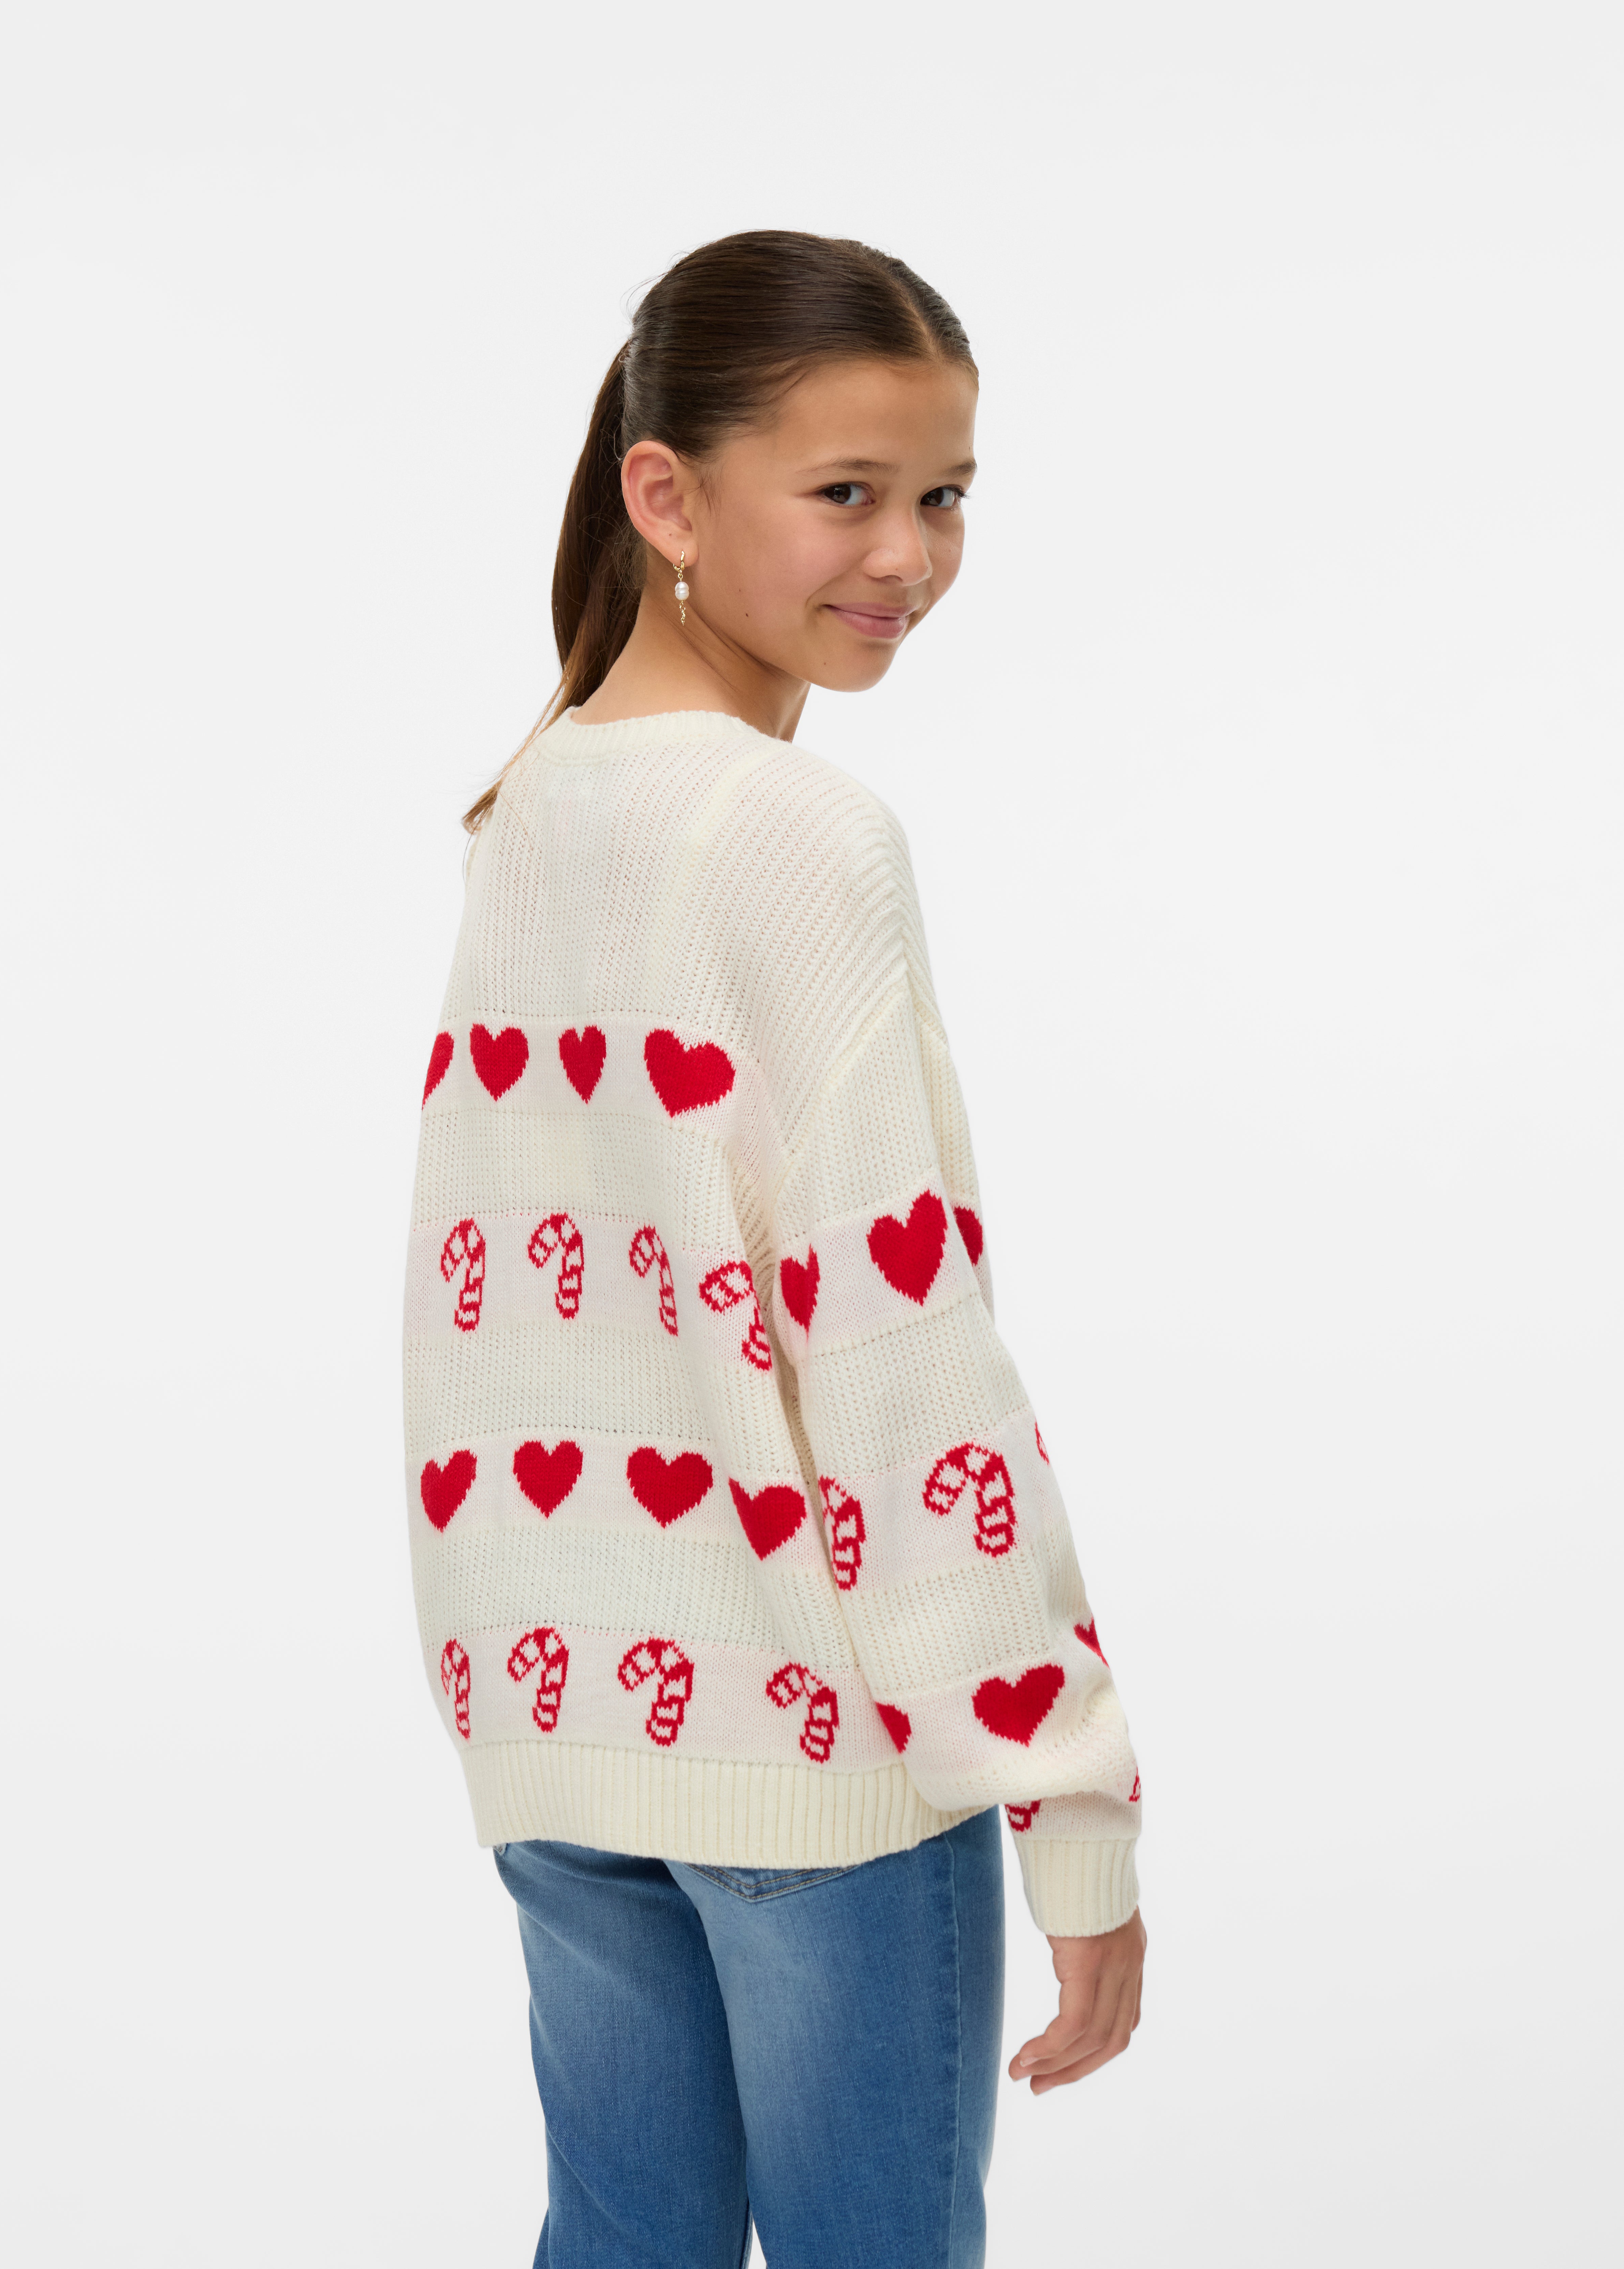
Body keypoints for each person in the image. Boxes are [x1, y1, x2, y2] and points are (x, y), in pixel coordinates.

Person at [403, 229, 1146, 2269]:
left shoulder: (536, 809)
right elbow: (900, 1355)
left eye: (946, 495)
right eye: (845, 493)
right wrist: (1066, 1794)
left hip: (559, 1724)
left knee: (619, 2241)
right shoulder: (797, 838)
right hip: (821, 1751)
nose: (907, 556)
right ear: (665, 496)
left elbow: (496, 1320)